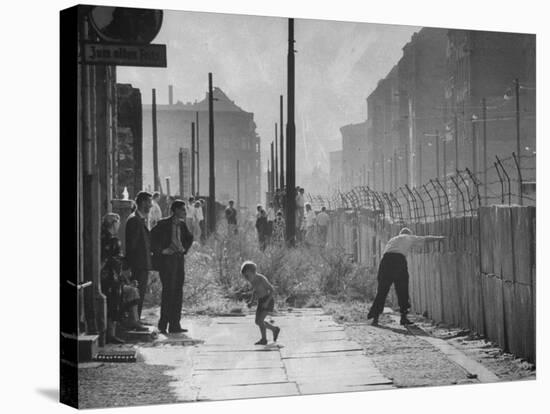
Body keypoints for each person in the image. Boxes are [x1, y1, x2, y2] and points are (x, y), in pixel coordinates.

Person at [367, 228, 445, 326]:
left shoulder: (392, 239)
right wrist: (439, 238)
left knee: (382, 290)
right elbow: (426, 239)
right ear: (409, 234)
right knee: (402, 289)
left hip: (385, 262)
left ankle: (375, 317)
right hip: (398, 261)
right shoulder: (409, 237)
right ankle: (403, 317)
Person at [151, 200, 194, 334]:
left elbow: (189, 238)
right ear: (174, 210)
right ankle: (163, 324)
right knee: (168, 291)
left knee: (177, 292)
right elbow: (151, 238)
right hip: (167, 261)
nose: (184, 212)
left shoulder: (182, 224)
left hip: (178, 260)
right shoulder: (163, 224)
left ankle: (175, 324)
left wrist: (184, 249)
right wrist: (162, 251)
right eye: (182, 209)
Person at [125, 191, 153, 320]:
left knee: (139, 294)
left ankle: (137, 320)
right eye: (149, 202)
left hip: (142, 264)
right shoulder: (134, 220)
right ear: (142, 202)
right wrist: (130, 266)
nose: (151, 205)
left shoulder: (138, 219)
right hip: (138, 265)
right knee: (137, 294)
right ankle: (135, 321)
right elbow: (132, 246)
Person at [241, 261, 280, 345]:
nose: (246, 278)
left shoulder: (261, 279)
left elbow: (272, 290)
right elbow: (255, 291)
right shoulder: (252, 280)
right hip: (261, 301)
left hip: (268, 300)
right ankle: (274, 329)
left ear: (253, 272)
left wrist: (266, 302)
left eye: (247, 275)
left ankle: (264, 339)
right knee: (258, 322)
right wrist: (251, 301)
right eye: (245, 277)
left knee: (260, 320)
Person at [100, 213, 125, 344]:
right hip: (111, 276)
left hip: (110, 275)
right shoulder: (111, 240)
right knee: (113, 304)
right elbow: (108, 259)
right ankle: (110, 334)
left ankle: (110, 333)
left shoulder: (104, 238)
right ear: (114, 223)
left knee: (112, 303)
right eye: (118, 222)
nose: (119, 225)